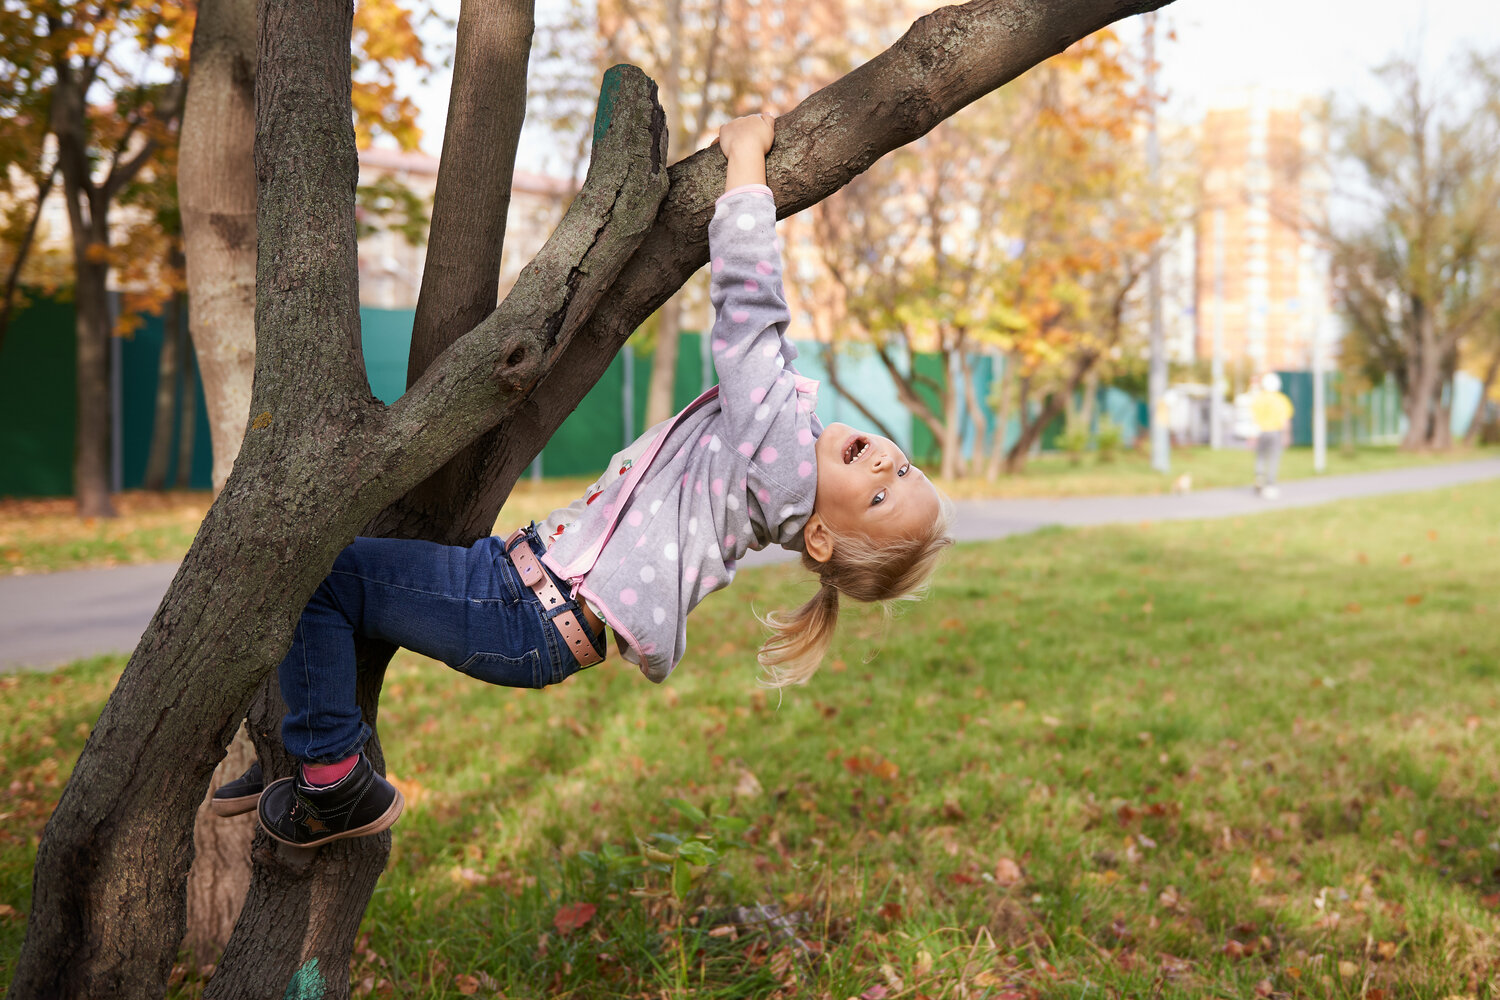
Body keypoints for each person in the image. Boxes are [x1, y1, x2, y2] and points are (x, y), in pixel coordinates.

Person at [210, 112, 954, 848]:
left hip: (523, 609)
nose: (891, 464)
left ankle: (332, 779)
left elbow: (751, 314)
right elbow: (773, 363)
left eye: (884, 496)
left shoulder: (785, 465)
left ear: (820, 536)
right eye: (908, 465)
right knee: (346, 586)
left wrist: (748, 163)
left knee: (324, 576)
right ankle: (307, 745)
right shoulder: (783, 458)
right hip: (521, 594)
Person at [1250, 372, 1294, 499]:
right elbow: (1286, 420)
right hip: (1275, 432)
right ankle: (1270, 485)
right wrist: (1287, 435)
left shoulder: (1259, 398)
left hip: (1261, 431)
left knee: (1261, 457)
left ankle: (1259, 476)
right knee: (1274, 459)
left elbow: (1254, 418)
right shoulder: (1281, 400)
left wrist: (1252, 435)